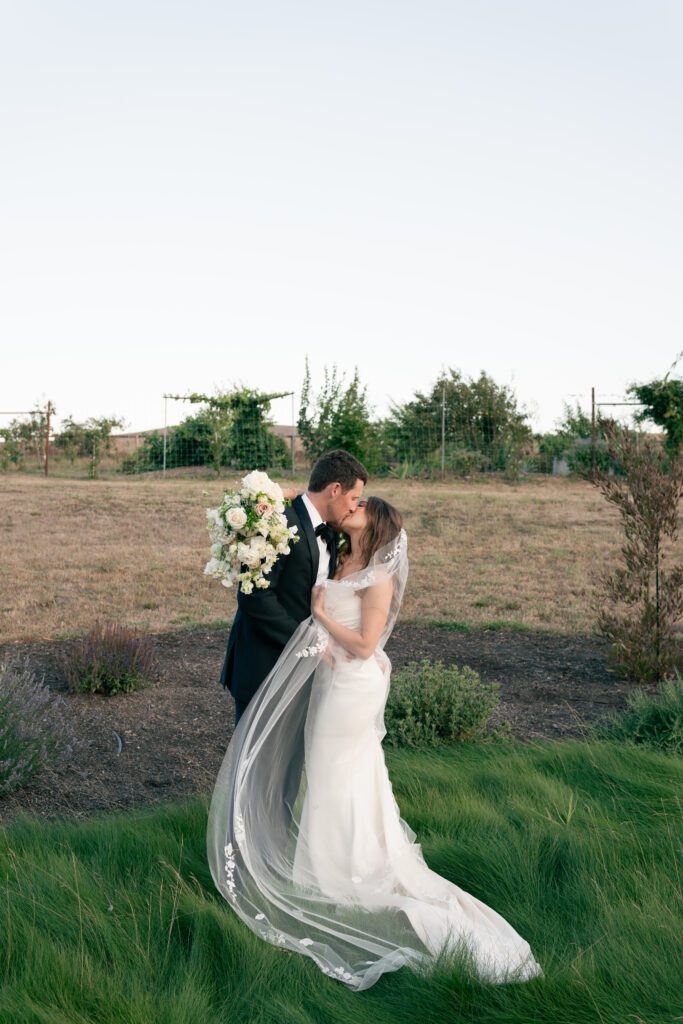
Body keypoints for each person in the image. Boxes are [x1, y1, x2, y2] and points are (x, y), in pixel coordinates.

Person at [208, 497, 543, 991]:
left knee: (339, 773)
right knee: (328, 774)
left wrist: (321, 618)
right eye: (354, 498)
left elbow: (366, 645)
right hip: (332, 682)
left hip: (352, 684)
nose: (354, 505)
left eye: (363, 504)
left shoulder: (379, 576)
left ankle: (344, 872)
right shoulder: (342, 557)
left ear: (377, 521)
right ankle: (323, 868)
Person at [218, 449, 368, 725]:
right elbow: (255, 597)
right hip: (263, 665)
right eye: (354, 498)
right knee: (253, 752)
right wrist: (309, 642)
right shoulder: (278, 521)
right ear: (335, 489)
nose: (353, 507)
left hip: (301, 669)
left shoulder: (331, 531)